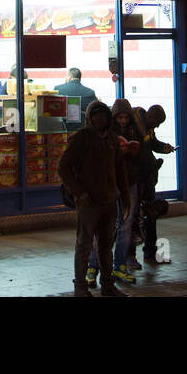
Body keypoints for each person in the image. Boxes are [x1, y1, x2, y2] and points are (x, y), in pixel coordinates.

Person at [58, 100, 129, 297]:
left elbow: (120, 171)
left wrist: (125, 198)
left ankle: (107, 285)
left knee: (106, 246)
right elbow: (63, 167)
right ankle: (80, 287)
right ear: (89, 118)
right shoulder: (82, 139)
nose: (100, 119)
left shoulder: (112, 140)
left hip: (108, 201)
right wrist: (79, 192)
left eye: (103, 115)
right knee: (84, 245)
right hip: (89, 202)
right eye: (96, 115)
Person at [85, 99, 143, 285]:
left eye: (126, 117)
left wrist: (133, 152)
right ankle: (94, 267)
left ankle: (118, 266)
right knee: (102, 227)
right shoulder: (102, 135)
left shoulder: (135, 130)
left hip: (128, 181)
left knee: (124, 225)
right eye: (120, 117)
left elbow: (144, 153)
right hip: (109, 184)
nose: (123, 121)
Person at [133, 104, 175, 265]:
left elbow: (152, 144)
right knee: (133, 218)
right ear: (150, 117)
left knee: (150, 215)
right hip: (138, 178)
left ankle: (150, 253)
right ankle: (131, 256)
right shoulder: (136, 126)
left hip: (147, 177)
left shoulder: (148, 127)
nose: (157, 126)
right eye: (156, 122)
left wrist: (163, 147)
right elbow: (141, 150)